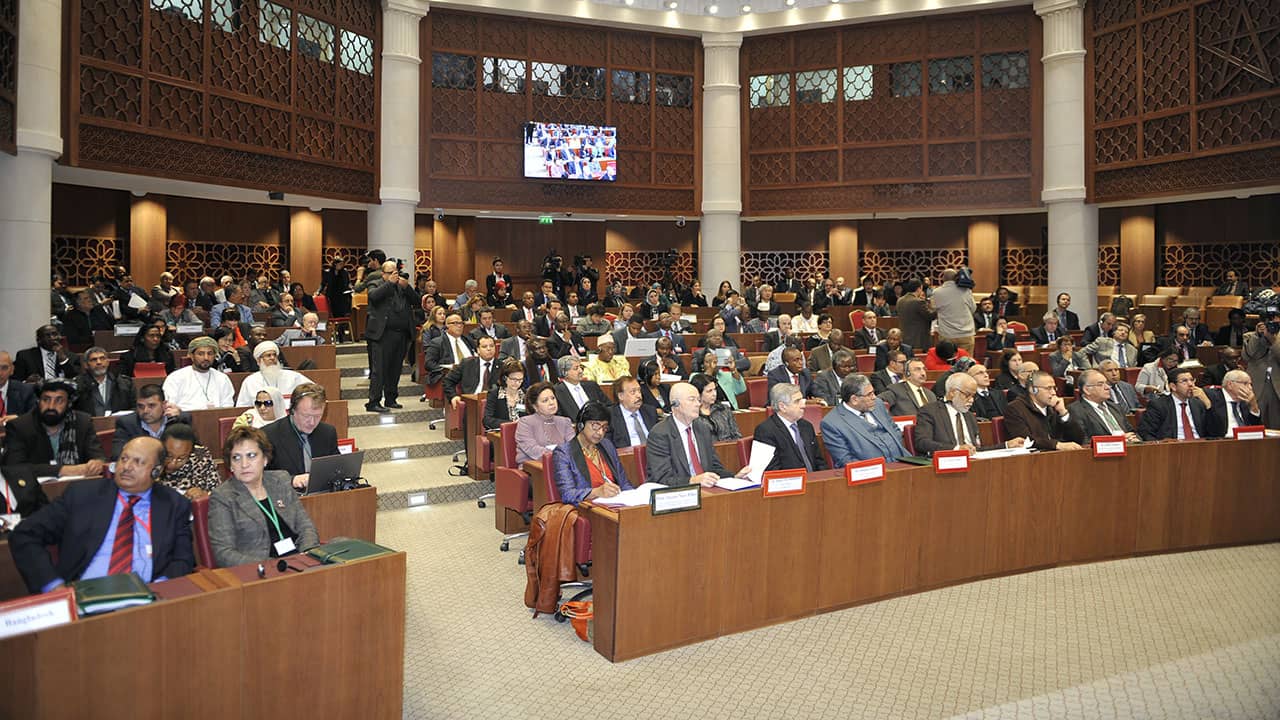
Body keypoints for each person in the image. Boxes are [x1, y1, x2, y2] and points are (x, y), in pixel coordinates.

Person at [8, 436, 193, 594]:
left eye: (138, 462)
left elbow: (183, 559)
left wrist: (159, 589)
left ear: (157, 471)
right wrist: (53, 587)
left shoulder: (174, 505)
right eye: (123, 459)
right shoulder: (82, 496)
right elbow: (24, 534)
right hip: (84, 598)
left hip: (146, 600)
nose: (126, 467)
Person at [208, 425, 319, 567]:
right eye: (236, 458)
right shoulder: (223, 497)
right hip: (261, 572)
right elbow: (224, 553)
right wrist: (269, 566)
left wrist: (308, 554)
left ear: (265, 459)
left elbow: (305, 526)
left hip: (299, 560)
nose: (244, 464)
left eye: (251, 455)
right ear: (230, 465)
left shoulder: (280, 480)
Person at [644, 382, 750, 487]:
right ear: (675, 404)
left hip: (705, 490)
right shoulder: (660, 434)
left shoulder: (702, 428)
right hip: (679, 495)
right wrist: (693, 480)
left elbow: (715, 468)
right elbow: (661, 479)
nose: (698, 404)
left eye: (698, 400)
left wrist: (734, 477)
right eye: (692, 399)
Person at [2, 378, 107, 476]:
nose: (51, 406)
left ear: (69, 404)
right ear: (38, 401)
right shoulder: (19, 426)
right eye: (46, 400)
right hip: (33, 491)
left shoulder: (83, 422)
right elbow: (14, 467)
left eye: (59, 401)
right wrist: (62, 470)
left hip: (76, 488)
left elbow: (98, 456)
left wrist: (97, 462)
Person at [914, 373, 1026, 455]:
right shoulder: (929, 411)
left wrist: (1006, 445)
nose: (971, 400)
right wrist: (956, 449)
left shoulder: (969, 416)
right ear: (953, 392)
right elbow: (922, 442)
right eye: (967, 395)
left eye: (973, 396)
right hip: (945, 464)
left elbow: (976, 450)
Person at [550, 402, 633, 505]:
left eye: (604, 428)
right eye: (595, 426)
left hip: (616, 504)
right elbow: (567, 495)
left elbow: (624, 483)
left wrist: (633, 498)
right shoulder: (564, 452)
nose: (600, 432)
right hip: (588, 508)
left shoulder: (607, 445)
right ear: (581, 425)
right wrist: (596, 492)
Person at [262, 383, 340, 489]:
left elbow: (337, 468)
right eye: (306, 416)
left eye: (318, 416)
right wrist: (291, 480)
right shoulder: (268, 435)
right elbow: (260, 476)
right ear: (292, 410)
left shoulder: (327, 432)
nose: (312, 422)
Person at [821, 373, 909, 466]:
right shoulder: (832, 423)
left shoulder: (878, 404)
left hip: (902, 462)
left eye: (873, 392)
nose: (874, 397)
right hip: (871, 473)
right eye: (869, 394)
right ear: (854, 399)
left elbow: (894, 429)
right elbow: (845, 460)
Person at [365, 262, 419, 412]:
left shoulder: (402, 286)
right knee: (379, 369)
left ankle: (391, 398)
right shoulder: (375, 283)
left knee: (395, 368)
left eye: (396, 272)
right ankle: (374, 402)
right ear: (383, 274)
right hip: (381, 335)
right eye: (390, 272)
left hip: (401, 334)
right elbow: (374, 297)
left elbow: (417, 301)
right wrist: (389, 283)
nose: (394, 275)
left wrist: (407, 287)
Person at [753, 383, 828, 472]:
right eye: (797, 401)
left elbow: (819, 461)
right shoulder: (765, 431)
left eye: (802, 400)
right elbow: (772, 470)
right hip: (789, 483)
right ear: (782, 406)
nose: (803, 405)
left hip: (813, 482)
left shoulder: (807, 426)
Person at [1002, 371, 1084, 451]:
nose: (1053, 393)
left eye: (1054, 388)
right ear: (1033, 390)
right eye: (1048, 388)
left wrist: (1063, 412)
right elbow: (1025, 440)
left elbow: (1078, 439)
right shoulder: (1015, 409)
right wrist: (1056, 445)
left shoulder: (1054, 407)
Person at [112, 383, 190, 457]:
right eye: (141, 406)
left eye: (151, 406)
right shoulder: (127, 424)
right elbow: (118, 455)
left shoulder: (177, 420)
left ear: (164, 405)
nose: (145, 411)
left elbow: (193, 451)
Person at [162, 336, 235, 411]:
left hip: (216, 419)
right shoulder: (176, 377)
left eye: (210, 354)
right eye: (201, 354)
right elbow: (170, 406)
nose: (206, 358)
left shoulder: (222, 378)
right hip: (184, 420)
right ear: (191, 356)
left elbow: (228, 407)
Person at [1137, 367, 1211, 441]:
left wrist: (1208, 404)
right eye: (1184, 381)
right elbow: (1146, 433)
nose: (1191, 384)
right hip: (1172, 448)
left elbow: (1215, 432)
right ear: (1173, 386)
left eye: (1192, 380)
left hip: (1200, 446)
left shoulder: (1198, 404)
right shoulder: (1158, 405)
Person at [1071, 369, 1142, 443]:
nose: (1107, 387)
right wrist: (1117, 440)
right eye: (1100, 384)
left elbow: (1132, 432)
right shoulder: (1076, 410)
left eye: (1106, 383)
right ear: (1087, 390)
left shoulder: (1115, 407)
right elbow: (1083, 441)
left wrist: (1135, 440)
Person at [234, 341, 311, 407]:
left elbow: (312, 391)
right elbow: (242, 406)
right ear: (258, 360)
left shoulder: (293, 376)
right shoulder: (250, 381)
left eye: (274, 355)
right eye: (268, 355)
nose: (272, 358)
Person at [514, 381, 574, 463]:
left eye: (553, 398)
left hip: (564, 465)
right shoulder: (525, 423)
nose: (551, 403)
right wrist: (560, 455)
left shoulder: (565, 421)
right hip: (534, 468)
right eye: (545, 400)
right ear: (535, 406)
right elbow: (533, 450)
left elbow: (574, 447)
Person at [158, 423, 220, 499]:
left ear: (191, 453)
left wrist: (204, 495)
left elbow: (217, 494)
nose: (173, 463)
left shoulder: (201, 459)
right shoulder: (152, 460)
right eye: (169, 456)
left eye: (181, 458)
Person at [73, 346, 136, 417]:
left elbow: (134, 408)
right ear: (86, 365)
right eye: (94, 360)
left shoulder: (124, 383)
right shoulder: (78, 385)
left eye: (102, 358)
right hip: (90, 426)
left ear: (108, 362)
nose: (99, 362)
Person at [1203, 369, 1261, 437]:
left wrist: (1254, 406)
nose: (1250, 388)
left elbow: (1257, 429)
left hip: (1246, 441)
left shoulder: (1246, 401)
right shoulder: (1211, 397)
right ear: (1230, 384)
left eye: (1250, 384)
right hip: (1223, 443)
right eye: (1245, 383)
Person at [14, 325, 81, 382]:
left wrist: (63, 360)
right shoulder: (25, 356)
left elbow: (75, 378)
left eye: (55, 334)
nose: (52, 338)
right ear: (38, 340)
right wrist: (27, 381)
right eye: (47, 335)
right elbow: (16, 380)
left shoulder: (71, 356)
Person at [931, 269, 976, 352]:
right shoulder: (966, 290)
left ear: (943, 279)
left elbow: (933, 308)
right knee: (966, 360)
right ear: (956, 278)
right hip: (966, 333)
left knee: (947, 361)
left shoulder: (936, 292)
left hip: (947, 334)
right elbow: (973, 309)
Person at [553, 355, 610, 421]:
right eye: (576, 368)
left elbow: (608, 406)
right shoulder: (557, 391)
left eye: (581, 367)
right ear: (565, 372)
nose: (580, 371)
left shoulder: (592, 386)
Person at [609, 375, 658, 449]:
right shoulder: (610, 416)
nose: (638, 395)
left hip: (653, 455)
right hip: (627, 457)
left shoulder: (650, 411)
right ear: (621, 396)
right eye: (633, 392)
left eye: (639, 391)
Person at [688, 373, 742, 441]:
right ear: (698, 393)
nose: (714, 394)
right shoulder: (691, 414)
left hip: (727, 448)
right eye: (709, 391)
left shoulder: (724, 409)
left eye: (715, 389)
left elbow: (736, 435)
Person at [483, 360, 526, 431]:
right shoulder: (495, 394)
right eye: (513, 379)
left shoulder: (526, 394)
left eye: (520, 380)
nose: (517, 383)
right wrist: (511, 424)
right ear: (505, 377)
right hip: (502, 434)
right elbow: (487, 420)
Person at [896, 280, 936, 352]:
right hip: (919, 339)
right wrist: (938, 308)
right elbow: (930, 316)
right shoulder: (918, 302)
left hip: (904, 337)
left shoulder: (900, 300)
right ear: (919, 289)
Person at [0, 351, 38, 425]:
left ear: (12, 370)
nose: (0, 373)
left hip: (17, 434)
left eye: (4, 368)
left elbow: (36, 417)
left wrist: (19, 419)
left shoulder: (25, 391)